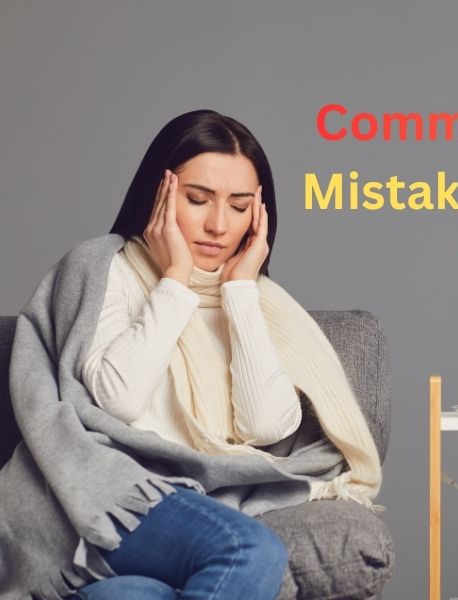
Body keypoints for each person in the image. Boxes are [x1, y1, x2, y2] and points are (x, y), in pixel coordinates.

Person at [67, 110, 303, 599]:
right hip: (117, 494)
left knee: (126, 596)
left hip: (199, 505)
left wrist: (239, 291)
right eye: (197, 200)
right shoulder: (105, 269)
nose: (218, 224)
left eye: (239, 207)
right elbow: (119, 402)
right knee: (250, 550)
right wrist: (174, 278)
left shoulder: (254, 301)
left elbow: (267, 427)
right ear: (159, 193)